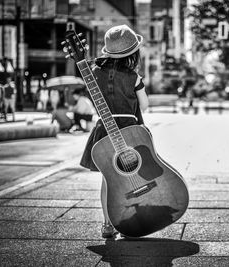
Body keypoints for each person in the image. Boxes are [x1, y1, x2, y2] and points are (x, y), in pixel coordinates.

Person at [79, 24, 148, 238]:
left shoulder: (93, 74)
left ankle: (107, 225)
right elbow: (144, 106)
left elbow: (93, 103)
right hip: (129, 129)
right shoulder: (133, 77)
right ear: (132, 53)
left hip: (104, 130)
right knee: (131, 175)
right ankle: (130, 220)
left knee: (108, 179)